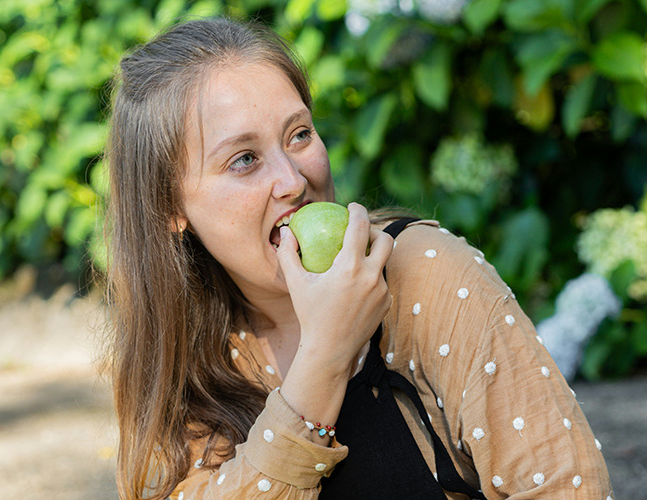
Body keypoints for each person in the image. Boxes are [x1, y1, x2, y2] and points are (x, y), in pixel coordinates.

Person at [105, 17, 613, 500]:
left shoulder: (424, 274)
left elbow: (567, 485)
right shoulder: (186, 356)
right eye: (244, 160)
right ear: (170, 207)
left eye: (298, 135)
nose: (294, 180)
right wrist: (323, 363)